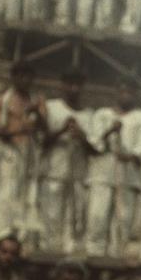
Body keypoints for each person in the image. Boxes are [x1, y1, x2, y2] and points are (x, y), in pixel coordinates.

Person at [84, 81, 141, 257]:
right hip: (101, 174)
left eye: (130, 92)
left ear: (136, 95)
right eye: (123, 91)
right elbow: (94, 144)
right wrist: (110, 130)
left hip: (127, 177)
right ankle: (94, 256)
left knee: (123, 221)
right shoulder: (102, 114)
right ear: (116, 92)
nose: (126, 95)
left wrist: (128, 156)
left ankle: (117, 259)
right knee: (97, 218)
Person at [0, 60, 42, 242]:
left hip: (29, 153)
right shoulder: (3, 99)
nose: (25, 80)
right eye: (21, 76)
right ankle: (0, 234)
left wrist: (36, 113)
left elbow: (40, 127)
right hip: (8, 152)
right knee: (5, 193)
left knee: (26, 195)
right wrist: (21, 128)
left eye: (28, 77)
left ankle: (19, 237)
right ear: (14, 77)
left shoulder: (34, 100)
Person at [38, 69, 93, 253]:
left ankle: (71, 256)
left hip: (78, 175)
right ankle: (49, 253)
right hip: (53, 172)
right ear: (62, 86)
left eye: (78, 85)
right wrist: (62, 130)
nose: (74, 89)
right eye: (70, 84)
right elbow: (42, 141)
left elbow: (94, 149)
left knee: (75, 219)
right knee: (51, 217)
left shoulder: (88, 114)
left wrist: (81, 136)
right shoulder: (52, 107)